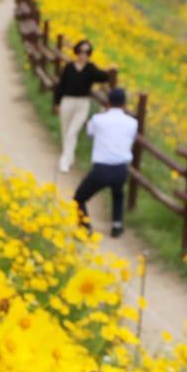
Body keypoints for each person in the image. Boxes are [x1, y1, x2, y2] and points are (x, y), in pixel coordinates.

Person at [71, 87, 137, 236]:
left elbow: (90, 134)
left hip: (101, 169)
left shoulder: (98, 119)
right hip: (121, 169)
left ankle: (85, 227)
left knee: (79, 197)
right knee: (118, 194)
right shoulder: (132, 122)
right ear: (125, 104)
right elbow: (131, 139)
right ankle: (117, 226)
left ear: (108, 102)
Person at [52, 39, 112, 173]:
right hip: (67, 101)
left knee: (72, 132)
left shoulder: (90, 68)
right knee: (65, 131)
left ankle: (64, 161)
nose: (83, 54)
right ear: (76, 51)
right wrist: (56, 102)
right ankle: (69, 157)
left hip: (82, 104)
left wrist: (111, 69)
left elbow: (103, 77)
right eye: (81, 51)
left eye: (87, 52)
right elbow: (61, 86)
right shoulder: (69, 67)